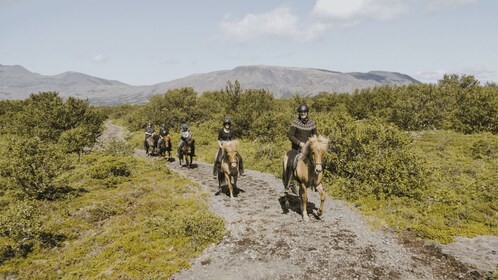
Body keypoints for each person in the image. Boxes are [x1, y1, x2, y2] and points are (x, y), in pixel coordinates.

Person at [285, 104, 317, 190]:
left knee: (319, 161)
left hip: (308, 149)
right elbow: (290, 135)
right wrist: (299, 143)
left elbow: (315, 135)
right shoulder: (295, 123)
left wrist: (313, 142)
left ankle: (317, 181)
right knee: (290, 162)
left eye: (304, 112)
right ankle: (289, 183)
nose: (303, 113)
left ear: (307, 112)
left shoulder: (312, 123)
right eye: (301, 112)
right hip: (297, 149)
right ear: (299, 113)